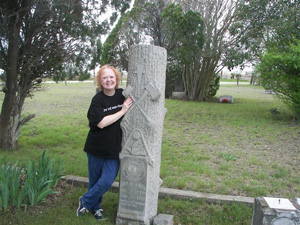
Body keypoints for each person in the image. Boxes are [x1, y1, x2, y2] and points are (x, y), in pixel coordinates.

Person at [76, 64, 133, 221]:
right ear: (100, 81)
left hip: (113, 149)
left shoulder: (122, 95)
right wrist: (122, 111)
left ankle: (85, 201)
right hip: (96, 147)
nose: (109, 80)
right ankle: (96, 208)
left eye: (111, 77)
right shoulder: (98, 100)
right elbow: (100, 123)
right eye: (105, 78)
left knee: (107, 181)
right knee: (95, 181)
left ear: (116, 78)